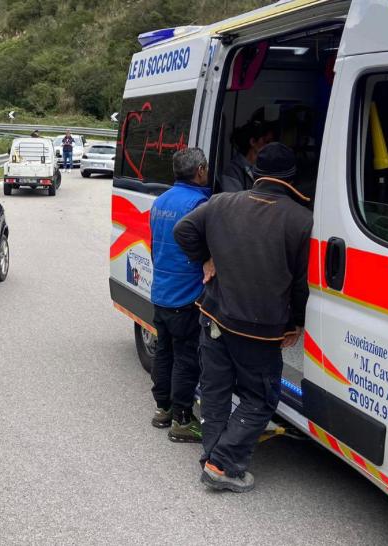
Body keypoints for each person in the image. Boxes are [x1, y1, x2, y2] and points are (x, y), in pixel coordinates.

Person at [174, 142, 312, 492]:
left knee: (216, 390)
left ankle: (211, 455)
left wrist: (205, 258)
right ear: (291, 178)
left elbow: (183, 231)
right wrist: (296, 322)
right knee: (260, 398)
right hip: (259, 330)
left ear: (255, 172)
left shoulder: (221, 202)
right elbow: (299, 282)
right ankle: (222, 465)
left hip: (215, 316)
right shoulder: (300, 220)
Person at [148, 147, 212, 443]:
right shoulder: (200, 203)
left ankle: (163, 409)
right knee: (187, 359)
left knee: (164, 353)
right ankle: (182, 421)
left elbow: (156, 245)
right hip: (186, 295)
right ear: (199, 170)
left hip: (161, 291)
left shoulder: (159, 202)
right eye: (206, 168)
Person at [220, 119, 274, 193]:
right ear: (253, 142)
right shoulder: (233, 171)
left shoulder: (264, 169)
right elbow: (232, 202)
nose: (271, 147)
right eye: (267, 142)